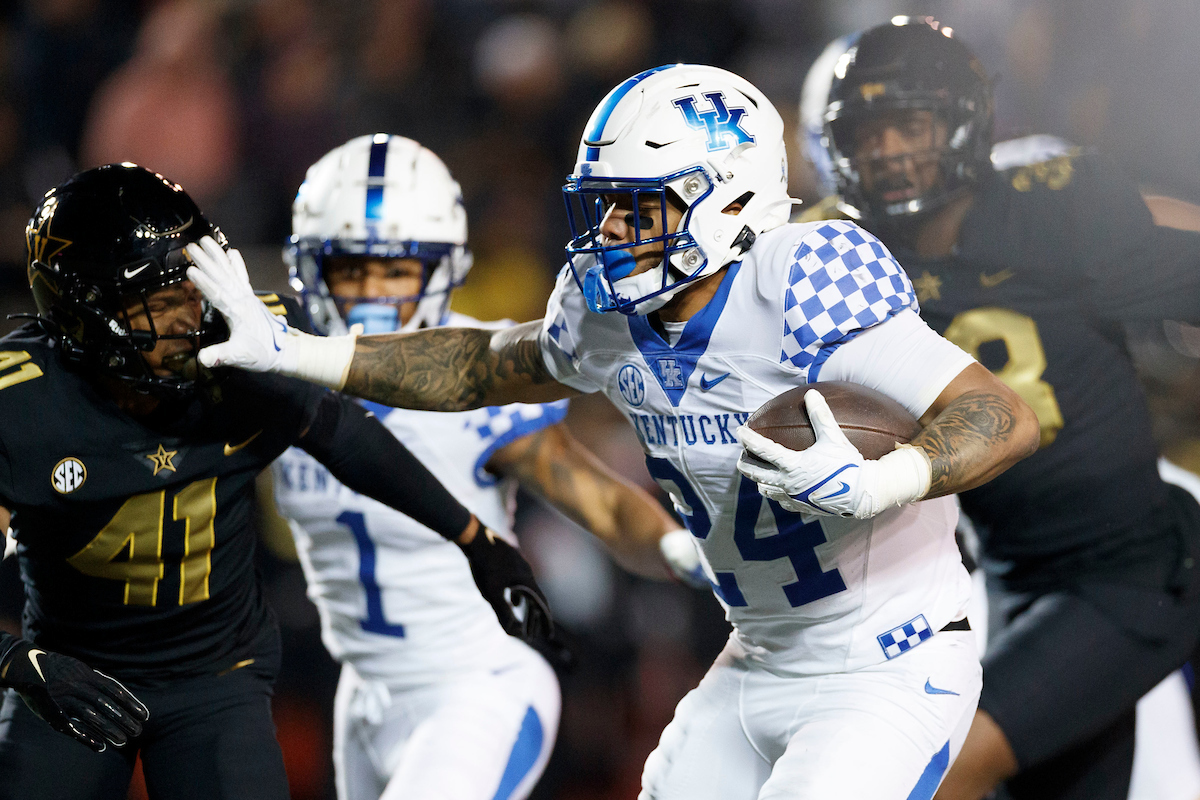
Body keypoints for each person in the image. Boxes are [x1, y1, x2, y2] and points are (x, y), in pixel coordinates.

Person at [186, 64, 1039, 799]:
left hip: (888, 660)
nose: (613, 235)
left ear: (729, 197)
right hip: (762, 653)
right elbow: (480, 366)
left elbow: (1001, 415)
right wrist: (300, 351)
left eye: (639, 210)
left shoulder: (802, 277)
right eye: (604, 208)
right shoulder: (609, 314)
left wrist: (891, 478)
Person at [0, 163, 548, 800]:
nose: (189, 317)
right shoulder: (23, 408)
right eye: (158, 301)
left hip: (217, 676)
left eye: (192, 286)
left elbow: (345, 437)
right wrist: (15, 663)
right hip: (76, 673)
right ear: (83, 318)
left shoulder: (246, 341)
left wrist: (473, 535)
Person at [808, 17, 1200, 800]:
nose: (887, 151)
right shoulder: (835, 259)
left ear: (962, 120)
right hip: (1005, 580)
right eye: (869, 132)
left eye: (908, 125)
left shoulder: (1054, 205)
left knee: (935, 774)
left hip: (1129, 569)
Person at [269, 133, 687, 800]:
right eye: (351, 268)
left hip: (472, 692)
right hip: (360, 696)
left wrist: (679, 548)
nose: (373, 291)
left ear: (440, 270)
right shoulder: (283, 372)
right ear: (311, 269)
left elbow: (600, 504)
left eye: (396, 269)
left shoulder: (468, 379)